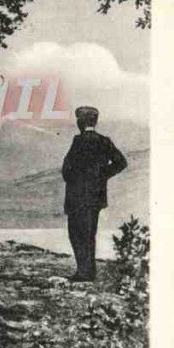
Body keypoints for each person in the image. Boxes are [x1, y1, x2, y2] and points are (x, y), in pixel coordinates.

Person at [62, 106, 127, 282]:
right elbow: (121, 162)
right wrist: (102, 175)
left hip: (76, 197)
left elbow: (66, 169)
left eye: (79, 120)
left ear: (80, 122)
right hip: (95, 197)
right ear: (94, 121)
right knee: (89, 234)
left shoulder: (78, 141)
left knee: (76, 233)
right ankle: (87, 272)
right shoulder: (104, 141)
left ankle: (84, 272)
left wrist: (74, 179)